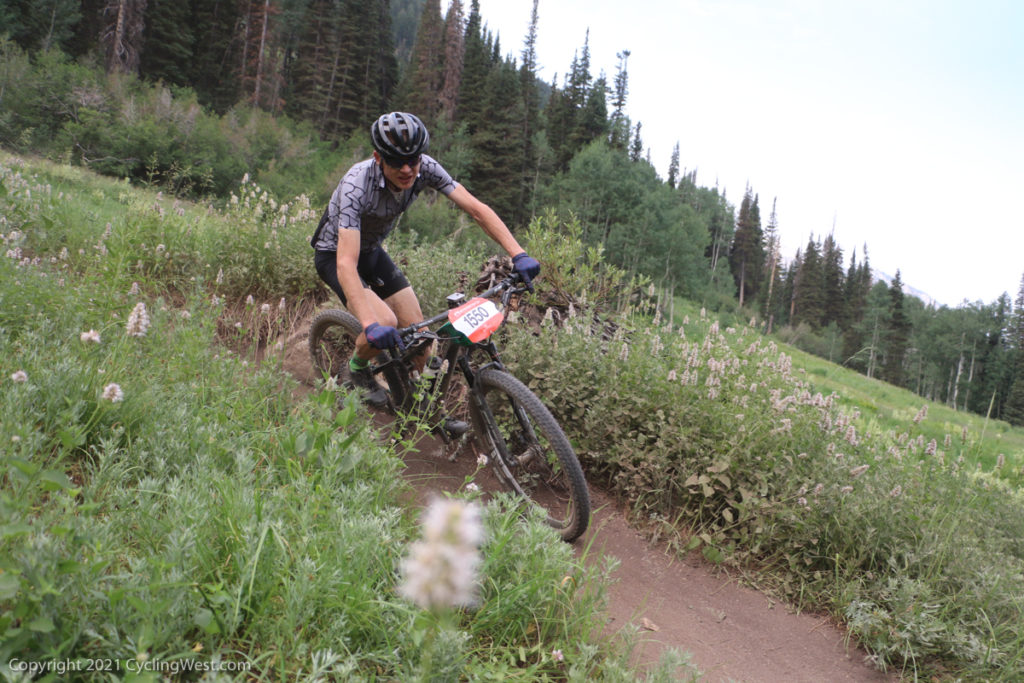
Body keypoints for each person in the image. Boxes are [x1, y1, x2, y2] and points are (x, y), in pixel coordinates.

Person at [311, 111, 540, 415]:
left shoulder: (426, 169)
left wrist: (518, 253)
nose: (407, 169)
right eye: (396, 161)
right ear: (378, 157)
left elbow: (476, 210)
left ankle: (421, 408)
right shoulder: (356, 185)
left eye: (413, 160)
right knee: (384, 323)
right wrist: (369, 324)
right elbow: (346, 263)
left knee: (420, 337)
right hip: (336, 254)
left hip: (371, 251)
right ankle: (355, 370)